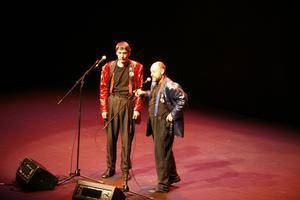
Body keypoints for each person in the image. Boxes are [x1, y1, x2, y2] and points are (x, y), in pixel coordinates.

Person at [136, 61, 187, 192]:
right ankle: (172, 176)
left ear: (162, 71)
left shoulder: (169, 84)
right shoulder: (156, 83)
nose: (151, 74)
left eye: (154, 71)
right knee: (165, 151)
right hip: (155, 122)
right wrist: (144, 93)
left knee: (161, 153)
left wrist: (173, 114)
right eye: (151, 71)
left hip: (164, 123)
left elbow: (183, 98)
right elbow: (155, 97)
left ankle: (163, 185)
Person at [99, 41, 144, 190]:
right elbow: (103, 89)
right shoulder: (108, 67)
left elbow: (139, 89)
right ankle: (110, 168)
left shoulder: (137, 67)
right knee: (110, 139)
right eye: (120, 52)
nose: (122, 55)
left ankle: (125, 171)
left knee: (126, 139)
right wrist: (104, 108)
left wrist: (137, 109)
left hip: (128, 103)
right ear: (116, 52)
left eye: (125, 53)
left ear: (129, 53)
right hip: (112, 102)